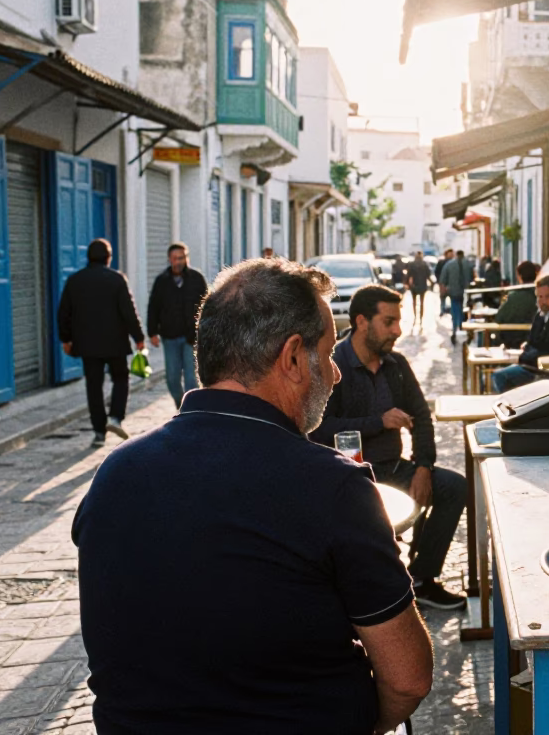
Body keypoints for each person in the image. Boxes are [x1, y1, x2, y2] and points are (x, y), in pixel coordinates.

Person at [72, 258, 433, 734]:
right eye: (326, 355)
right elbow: (408, 680)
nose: (336, 374)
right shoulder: (333, 486)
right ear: (290, 358)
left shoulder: (116, 472)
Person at [311, 285, 468, 610]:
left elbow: (422, 417)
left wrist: (423, 465)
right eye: (389, 321)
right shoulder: (334, 365)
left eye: (398, 321)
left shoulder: (395, 363)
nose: (398, 330)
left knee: (454, 486)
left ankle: (423, 579)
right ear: (362, 322)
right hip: (350, 478)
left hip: (395, 469)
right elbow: (319, 429)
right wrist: (378, 422)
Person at [56, 239, 145, 448]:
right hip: (115, 343)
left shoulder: (75, 281)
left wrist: (65, 339)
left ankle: (98, 431)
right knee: (121, 378)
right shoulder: (116, 280)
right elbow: (128, 312)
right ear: (108, 257)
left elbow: (64, 313)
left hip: (88, 345)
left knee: (93, 386)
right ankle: (115, 417)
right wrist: (138, 338)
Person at [490, 276, 549, 394]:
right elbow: (532, 341)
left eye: (548, 296)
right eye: (539, 297)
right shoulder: (540, 315)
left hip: (547, 371)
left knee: (500, 376)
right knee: (498, 374)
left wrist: (525, 356)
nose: (543, 301)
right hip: (532, 365)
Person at [147, 242, 210, 408]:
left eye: (181, 258)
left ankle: (189, 410)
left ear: (186, 258)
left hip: (192, 336)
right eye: (175, 258)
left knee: (191, 379)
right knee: (172, 379)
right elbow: (153, 306)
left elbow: (208, 306)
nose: (178, 262)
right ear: (169, 259)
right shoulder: (162, 281)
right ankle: (180, 404)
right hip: (170, 336)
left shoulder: (197, 279)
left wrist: (206, 329)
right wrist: (152, 331)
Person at [494, 260, 539, 347]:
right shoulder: (541, 296)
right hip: (535, 342)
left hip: (513, 342)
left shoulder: (512, 297)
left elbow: (499, 319)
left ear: (519, 276)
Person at [438, 249, 473, 342]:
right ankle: (461, 326)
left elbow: (443, 279)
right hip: (465, 291)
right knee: (462, 309)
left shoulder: (449, 264)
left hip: (454, 291)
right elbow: (473, 276)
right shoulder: (468, 264)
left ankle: (455, 328)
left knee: (455, 310)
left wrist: (444, 288)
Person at [405, 251, 433, 327]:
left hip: (414, 285)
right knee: (422, 303)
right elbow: (428, 275)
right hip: (422, 285)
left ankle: (415, 316)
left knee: (414, 302)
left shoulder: (412, 264)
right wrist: (432, 283)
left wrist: (407, 283)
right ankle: (420, 318)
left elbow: (408, 275)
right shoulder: (424, 264)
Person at [433, 248, 454, 316]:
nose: (451, 255)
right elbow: (436, 272)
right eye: (450, 254)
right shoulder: (441, 262)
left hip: (451, 283)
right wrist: (440, 281)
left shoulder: (454, 262)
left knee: (452, 297)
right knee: (443, 297)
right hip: (443, 283)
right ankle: (442, 310)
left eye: (452, 254)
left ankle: (451, 310)